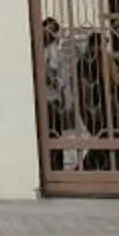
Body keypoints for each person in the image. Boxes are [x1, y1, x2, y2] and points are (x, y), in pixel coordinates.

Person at [41, 16, 80, 170]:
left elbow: (61, 77)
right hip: (39, 99)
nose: (49, 34)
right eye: (47, 29)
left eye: (53, 31)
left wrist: (63, 95)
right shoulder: (35, 49)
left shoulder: (55, 51)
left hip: (52, 98)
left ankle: (55, 168)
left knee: (54, 135)